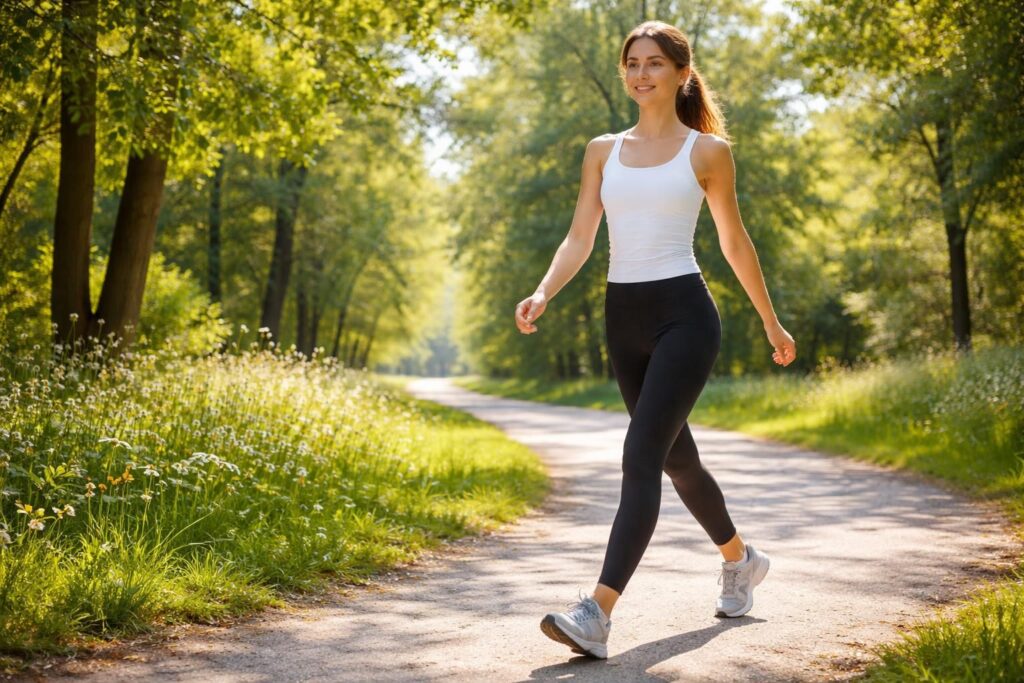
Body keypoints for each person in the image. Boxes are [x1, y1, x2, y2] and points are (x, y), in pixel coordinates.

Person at [513, 20, 797, 660]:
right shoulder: (601, 150)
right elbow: (581, 235)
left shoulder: (708, 152)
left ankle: (597, 613)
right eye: (632, 64)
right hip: (625, 318)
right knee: (676, 459)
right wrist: (544, 291)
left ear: (680, 73)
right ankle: (741, 559)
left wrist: (770, 321)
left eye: (654, 64)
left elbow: (733, 242)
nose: (641, 74)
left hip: (684, 317)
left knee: (640, 457)